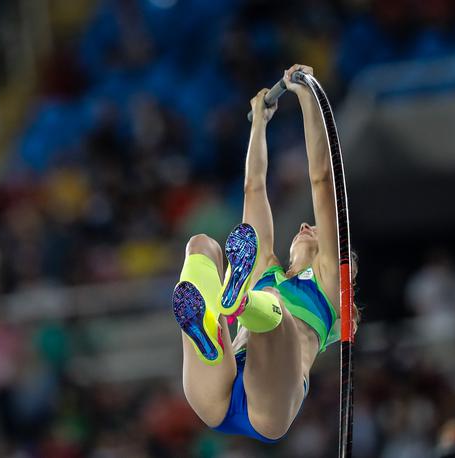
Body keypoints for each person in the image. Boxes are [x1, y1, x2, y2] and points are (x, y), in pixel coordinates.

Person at [172, 64, 357, 443]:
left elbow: (322, 180)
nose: (306, 225)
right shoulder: (267, 269)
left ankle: (236, 305)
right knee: (201, 246)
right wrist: (260, 123)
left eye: (316, 229)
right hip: (219, 384)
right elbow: (253, 187)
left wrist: (306, 97)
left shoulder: (329, 284)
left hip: (268, 406)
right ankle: (212, 328)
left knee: (272, 308)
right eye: (307, 224)